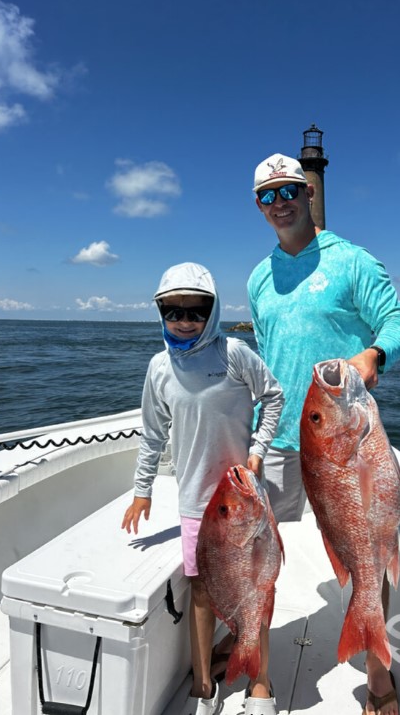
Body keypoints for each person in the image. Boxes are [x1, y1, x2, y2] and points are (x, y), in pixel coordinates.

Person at [247, 151, 400, 715]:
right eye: (266, 196)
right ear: (259, 206)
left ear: (308, 192)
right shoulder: (259, 277)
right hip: (277, 441)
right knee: (255, 556)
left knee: (372, 552)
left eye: (288, 190)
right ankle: (257, 670)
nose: (279, 203)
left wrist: (374, 353)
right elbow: (265, 357)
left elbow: (396, 318)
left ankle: (380, 678)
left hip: (345, 441)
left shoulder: (353, 261)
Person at [122, 261, 284, 715]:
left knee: (256, 588)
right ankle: (201, 682)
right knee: (201, 590)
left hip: (246, 500)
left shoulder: (234, 353)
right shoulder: (159, 368)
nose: (185, 321)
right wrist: (143, 490)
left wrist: (257, 449)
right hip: (195, 503)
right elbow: (152, 434)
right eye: (173, 311)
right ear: (159, 312)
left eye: (196, 311)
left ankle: (261, 683)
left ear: (212, 312)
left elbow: (273, 395)